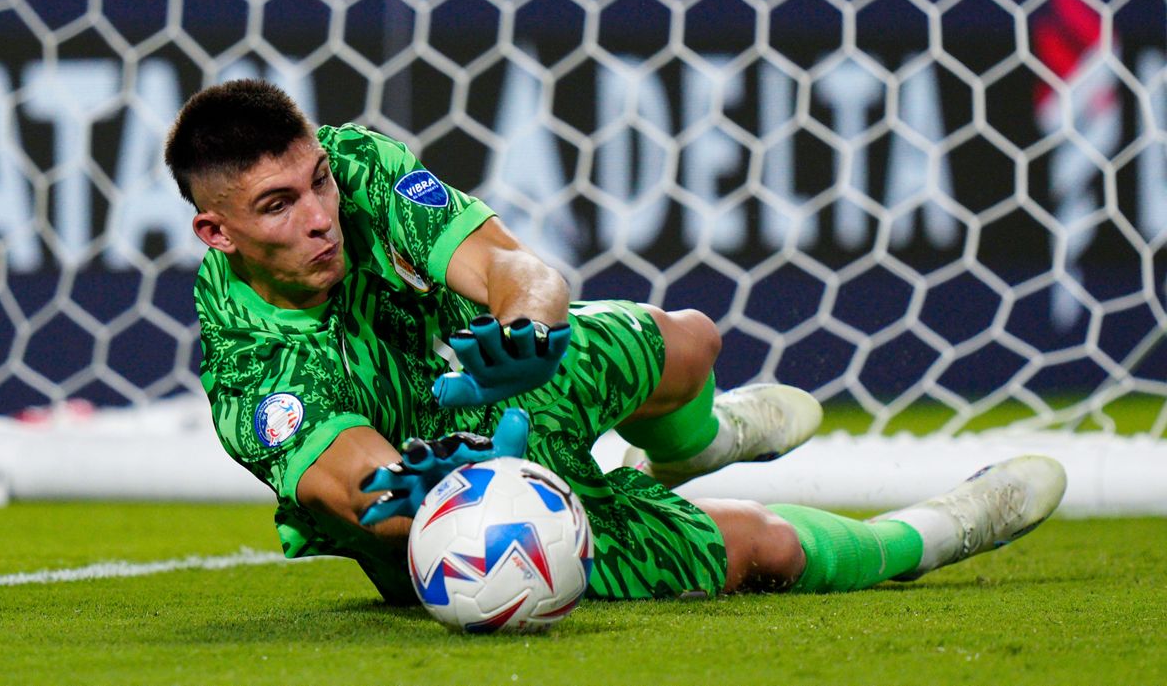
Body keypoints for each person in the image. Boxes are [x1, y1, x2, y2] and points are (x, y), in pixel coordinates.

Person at [163, 79, 1067, 604]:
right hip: (466, 527)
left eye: (316, 180)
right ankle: (948, 527)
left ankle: (700, 443)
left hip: (507, 380)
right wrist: (455, 480)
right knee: (767, 552)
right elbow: (367, 490)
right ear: (218, 232)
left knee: (693, 343)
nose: (323, 217)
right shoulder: (252, 369)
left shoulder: (361, 169)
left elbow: (522, 271)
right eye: (281, 206)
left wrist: (527, 328)